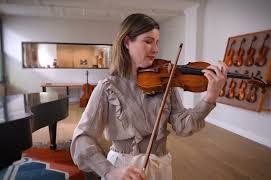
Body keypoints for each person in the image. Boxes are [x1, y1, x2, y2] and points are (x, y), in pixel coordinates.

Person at [71, 13, 228, 180]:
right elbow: (82, 138)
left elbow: (183, 126)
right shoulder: (108, 88)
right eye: (148, 41)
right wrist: (109, 171)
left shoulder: (166, 82)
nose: (156, 49)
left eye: (157, 42)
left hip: (161, 168)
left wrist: (210, 96)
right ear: (126, 42)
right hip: (122, 170)